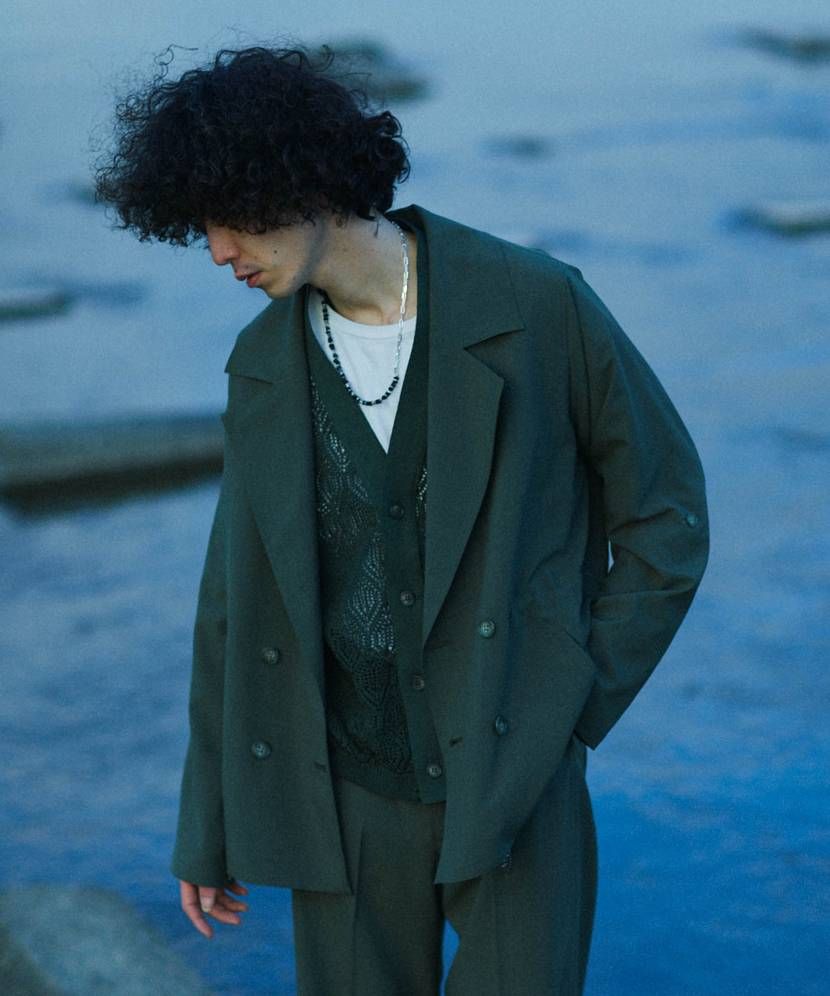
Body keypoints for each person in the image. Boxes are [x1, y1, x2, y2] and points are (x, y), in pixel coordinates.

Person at [94, 42, 710, 995]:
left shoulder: (537, 305)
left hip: (514, 764)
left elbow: (667, 515)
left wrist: (572, 695)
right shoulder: (262, 365)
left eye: (229, 218)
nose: (217, 252)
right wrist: (207, 824)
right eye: (199, 227)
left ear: (295, 181)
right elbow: (233, 604)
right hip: (340, 796)